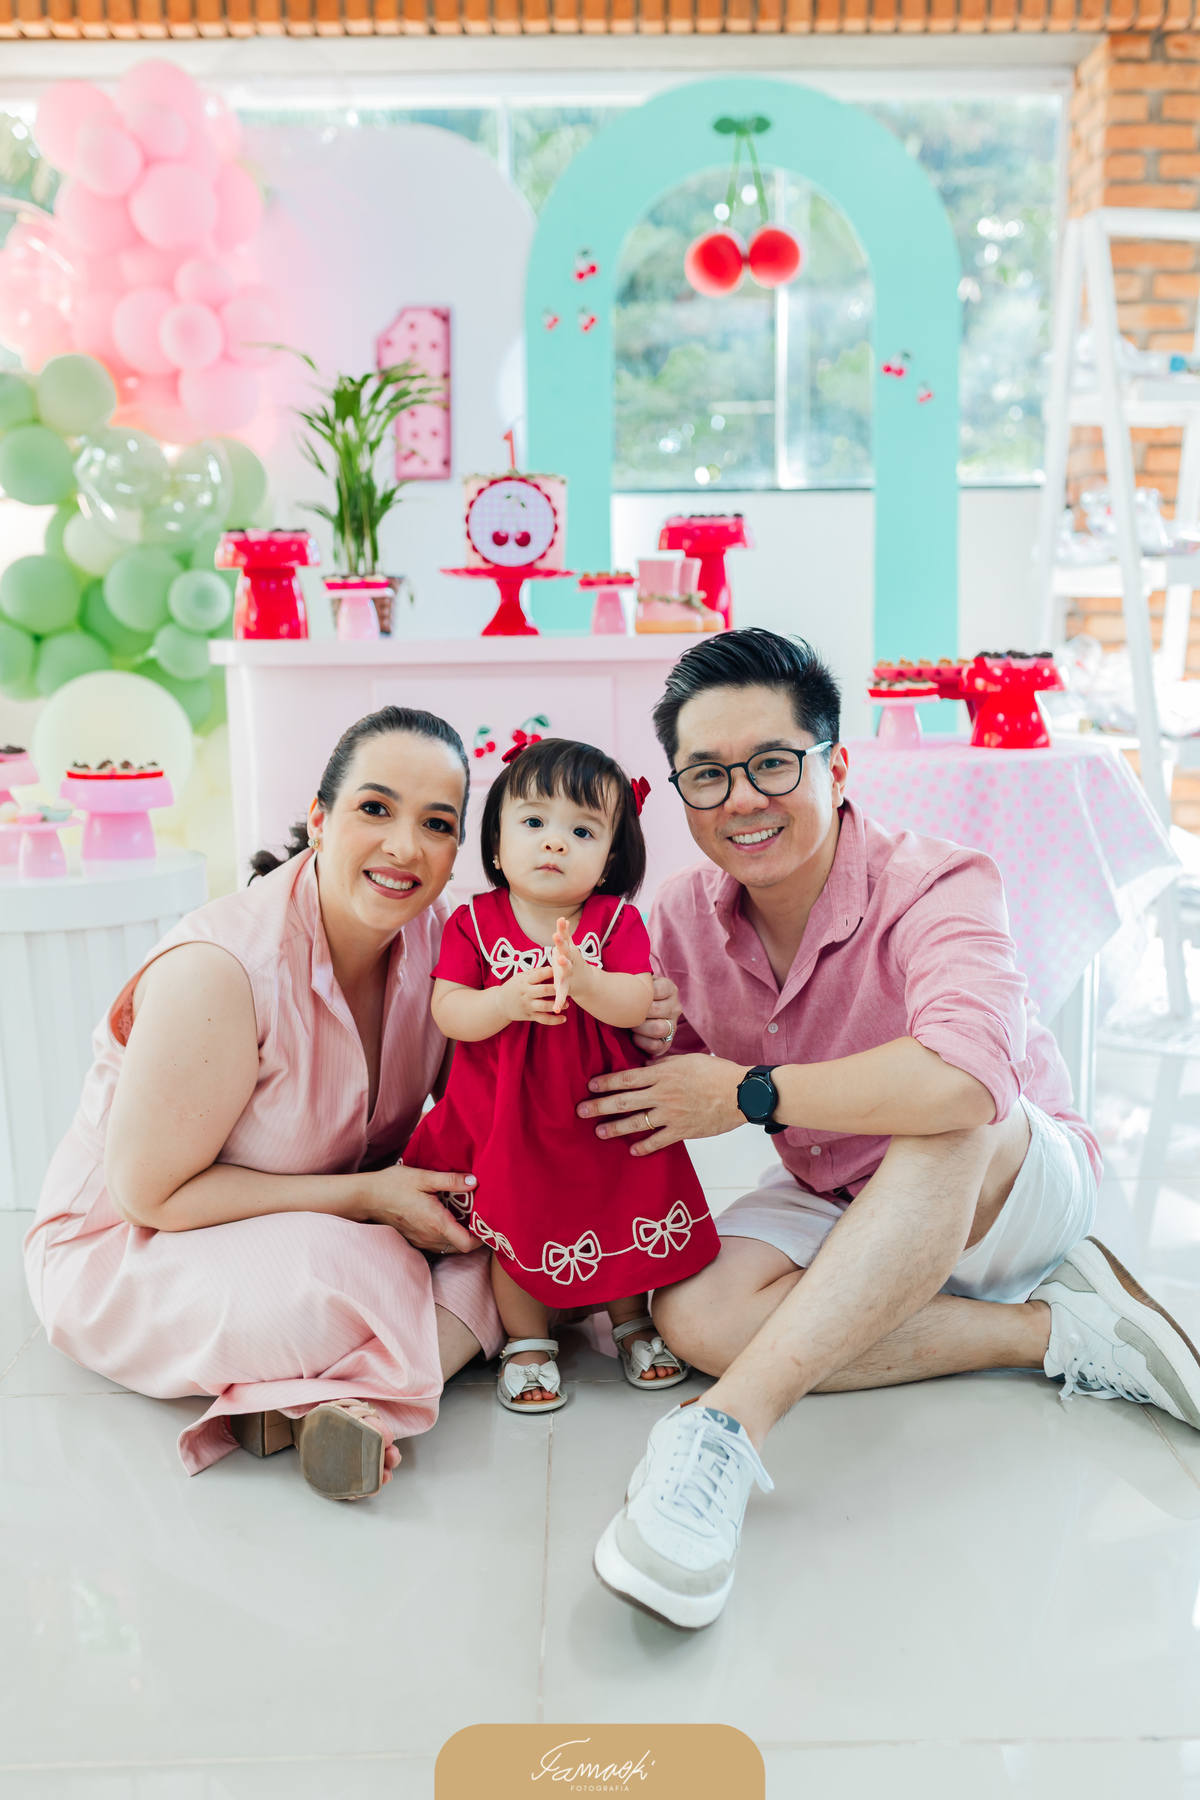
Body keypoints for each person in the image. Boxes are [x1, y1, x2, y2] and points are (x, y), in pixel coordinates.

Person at [581, 628, 1200, 1629]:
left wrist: (747, 1094)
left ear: (836, 767)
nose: (741, 799)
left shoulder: (940, 881)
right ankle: (1055, 1331)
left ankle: (723, 1432)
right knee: (694, 1315)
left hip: (1008, 1178)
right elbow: (655, 1071)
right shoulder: (686, 913)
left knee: (942, 1106)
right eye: (707, 775)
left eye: (773, 763)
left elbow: (965, 1082)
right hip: (835, 1185)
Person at [24, 705, 509, 1502]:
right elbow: (151, 1196)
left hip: (319, 1220)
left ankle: (320, 1406)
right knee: (356, 1267)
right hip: (134, 1247)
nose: (404, 847)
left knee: (520, 1237)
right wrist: (367, 1198)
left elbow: (485, 1105)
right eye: (375, 809)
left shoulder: (441, 943)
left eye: (436, 824)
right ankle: (367, 1387)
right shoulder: (225, 968)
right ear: (319, 818)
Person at [404, 737, 718, 1413]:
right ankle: (526, 1340)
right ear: (496, 844)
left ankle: (631, 1321)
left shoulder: (615, 920)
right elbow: (450, 1011)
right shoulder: (473, 922)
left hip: (601, 1117)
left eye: (582, 831)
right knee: (520, 1222)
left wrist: (587, 981)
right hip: (510, 1123)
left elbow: (637, 1002)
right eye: (533, 822)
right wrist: (505, 1001)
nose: (554, 842)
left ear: (610, 858)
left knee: (619, 1208)